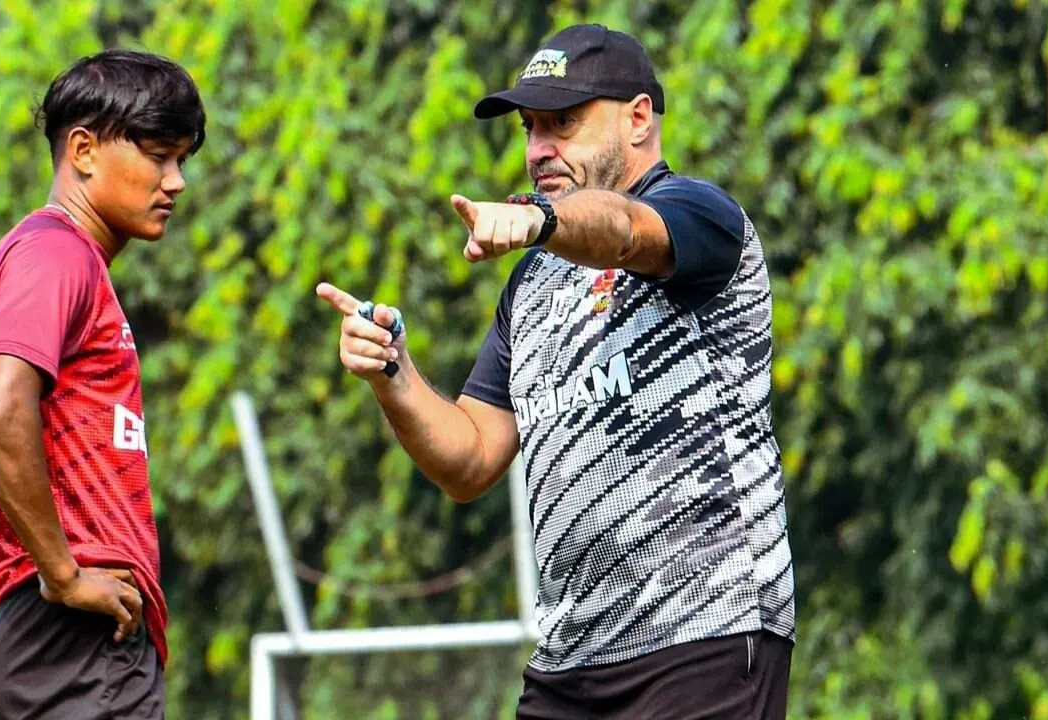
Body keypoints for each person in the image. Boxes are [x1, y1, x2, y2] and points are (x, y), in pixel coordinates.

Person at [317, 23, 795, 719]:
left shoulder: (700, 215)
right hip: (570, 662)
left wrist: (541, 218)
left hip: (704, 635)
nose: (540, 148)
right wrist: (391, 373)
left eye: (563, 124)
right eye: (530, 129)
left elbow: (627, 232)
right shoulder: (535, 283)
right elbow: (471, 458)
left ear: (638, 119)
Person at [0, 48, 205, 719]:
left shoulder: (20, 262)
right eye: (158, 155)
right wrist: (60, 573)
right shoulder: (59, 256)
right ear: (83, 150)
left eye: (182, 160)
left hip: (19, 634)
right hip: (71, 636)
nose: (176, 182)